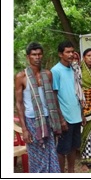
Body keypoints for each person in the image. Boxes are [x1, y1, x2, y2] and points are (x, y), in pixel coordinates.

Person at [14, 42, 66, 173]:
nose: (37, 57)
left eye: (39, 54)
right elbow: (19, 103)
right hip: (32, 121)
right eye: (34, 55)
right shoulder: (21, 77)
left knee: (50, 152)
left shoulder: (47, 74)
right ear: (28, 57)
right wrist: (24, 129)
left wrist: (60, 119)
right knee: (36, 155)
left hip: (48, 119)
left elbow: (53, 98)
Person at [51, 41, 86, 173]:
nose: (71, 54)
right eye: (67, 52)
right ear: (60, 54)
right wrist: (60, 119)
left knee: (73, 147)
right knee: (62, 149)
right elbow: (54, 96)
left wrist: (82, 114)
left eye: (72, 51)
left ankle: (71, 172)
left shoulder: (74, 69)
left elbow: (79, 92)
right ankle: (60, 173)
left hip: (76, 115)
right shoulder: (55, 71)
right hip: (65, 117)